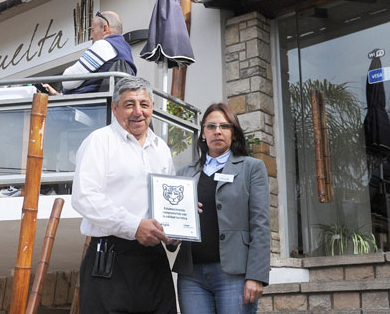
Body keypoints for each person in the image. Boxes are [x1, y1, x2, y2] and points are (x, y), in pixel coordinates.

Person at [71, 76, 176, 314]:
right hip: (109, 257)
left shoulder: (162, 149)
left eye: (144, 104)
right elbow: (84, 197)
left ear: (152, 107)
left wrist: (175, 230)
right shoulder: (99, 141)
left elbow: (166, 202)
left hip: (153, 260)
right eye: (129, 104)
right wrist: (134, 226)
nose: (138, 112)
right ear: (115, 108)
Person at [172, 102, 270, 314]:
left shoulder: (251, 168)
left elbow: (260, 224)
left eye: (225, 126)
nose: (218, 131)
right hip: (191, 276)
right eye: (211, 126)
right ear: (203, 134)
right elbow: (172, 226)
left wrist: (256, 275)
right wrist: (172, 235)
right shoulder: (184, 173)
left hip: (234, 275)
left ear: (233, 134)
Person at [45, 11, 136, 95]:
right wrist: (58, 96)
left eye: (92, 30)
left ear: (105, 28)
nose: (91, 37)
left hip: (88, 109)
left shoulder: (104, 45)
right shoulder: (126, 50)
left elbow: (68, 81)